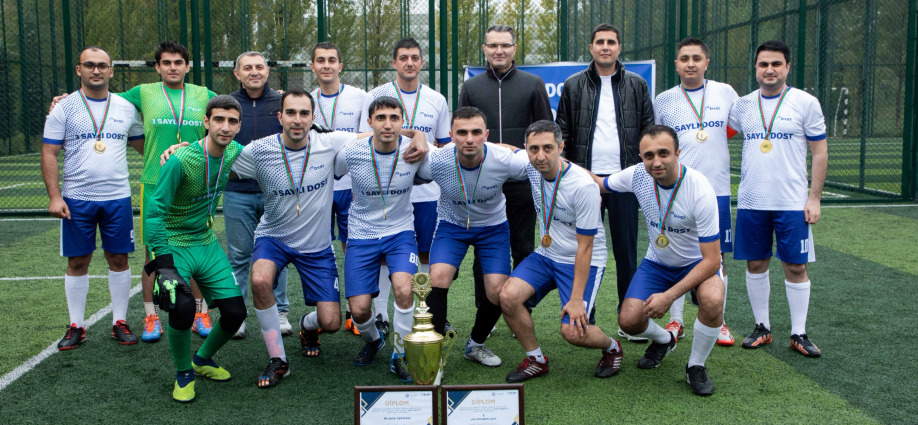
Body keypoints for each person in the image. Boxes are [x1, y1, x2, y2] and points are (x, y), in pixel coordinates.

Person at [595, 125, 726, 396]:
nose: (656, 161)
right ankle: (665, 340)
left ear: (678, 153)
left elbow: (712, 261)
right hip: (658, 261)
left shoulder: (699, 189)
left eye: (664, 153)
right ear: (641, 157)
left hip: (696, 263)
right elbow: (599, 183)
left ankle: (695, 366)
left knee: (712, 300)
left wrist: (668, 296)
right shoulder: (636, 176)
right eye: (648, 155)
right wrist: (554, 160)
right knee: (628, 321)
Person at [498, 120, 622, 383]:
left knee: (574, 333)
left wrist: (576, 300)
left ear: (561, 147)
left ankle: (612, 347)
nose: (540, 156)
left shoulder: (582, 186)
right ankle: (536, 360)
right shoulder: (531, 166)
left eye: (547, 148)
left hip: (580, 257)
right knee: (507, 296)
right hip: (546, 255)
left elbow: (586, 247)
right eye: (533, 149)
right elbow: (502, 150)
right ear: (526, 148)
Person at [41, 46, 145, 350]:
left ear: (112, 71)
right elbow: (49, 152)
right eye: (90, 65)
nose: (96, 70)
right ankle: (76, 325)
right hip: (76, 198)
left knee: (119, 258)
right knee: (78, 260)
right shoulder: (64, 108)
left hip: (117, 198)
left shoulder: (126, 107)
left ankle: (119, 321)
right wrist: (54, 196)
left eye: (102, 66)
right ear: (79, 70)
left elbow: (144, 146)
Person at [144, 95, 247, 403]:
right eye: (218, 119)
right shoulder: (180, 160)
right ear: (206, 122)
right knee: (183, 307)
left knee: (235, 313)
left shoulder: (235, 153)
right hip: (175, 242)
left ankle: (201, 361)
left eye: (231, 121)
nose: (225, 127)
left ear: (239, 126)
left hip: (205, 241)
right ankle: (182, 373)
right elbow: (154, 212)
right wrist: (162, 263)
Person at [728, 40, 827, 357]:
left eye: (776, 64)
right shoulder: (742, 106)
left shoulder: (805, 102)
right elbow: (720, 136)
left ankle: (799, 333)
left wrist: (814, 198)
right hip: (751, 201)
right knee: (756, 263)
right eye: (763, 64)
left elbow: (820, 151)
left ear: (786, 67)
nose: (769, 70)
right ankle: (762, 328)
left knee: (795, 267)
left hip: (791, 202)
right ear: (755, 68)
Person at [556, 24, 655, 342]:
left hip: (624, 182)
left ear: (619, 47)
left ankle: (630, 322)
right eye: (599, 42)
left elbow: (648, 130)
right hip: (585, 183)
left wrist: (641, 171)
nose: (605, 47)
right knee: (585, 249)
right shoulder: (573, 85)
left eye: (611, 42)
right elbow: (563, 135)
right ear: (591, 47)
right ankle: (585, 316)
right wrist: (572, 175)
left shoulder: (637, 84)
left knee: (626, 252)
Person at [416, 106, 529, 370]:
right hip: (451, 225)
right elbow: (403, 168)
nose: (469, 139)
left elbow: (545, 160)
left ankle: (475, 345)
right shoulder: (436, 160)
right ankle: (434, 351)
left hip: (492, 228)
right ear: (451, 135)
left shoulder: (504, 158)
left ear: (486, 135)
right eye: (462, 132)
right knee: (438, 277)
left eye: (476, 132)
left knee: (497, 291)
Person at [458, 25, 552, 312]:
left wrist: (529, 158)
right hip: (482, 184)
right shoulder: (471, 87)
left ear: (514, 48)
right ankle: (484, 312)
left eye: (505, 45)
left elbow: (545, 132)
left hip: (521, 183)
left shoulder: (532, 83)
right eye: (493, 45)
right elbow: (463, 131)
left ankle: (521, 308)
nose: (499, 50)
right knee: (482, 252)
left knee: (523, 248)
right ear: (485, 49)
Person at [361, 38, 451, 337]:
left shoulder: (436, 99)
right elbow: (366, 136)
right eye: (403, 58)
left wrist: (425, 143)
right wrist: (416, 135)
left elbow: (443, 144)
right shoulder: (375, 96)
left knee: (425, 253)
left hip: (426, 192)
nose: (409, 63)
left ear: (422, 62)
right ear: (394, 62)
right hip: (386, 190)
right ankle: (380, 314)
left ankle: (424, 312)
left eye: (414, 57)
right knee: (387, 253)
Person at [337, 96, 431, 382]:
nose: (388, 124)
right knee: (359, 310)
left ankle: (399, 354)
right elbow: (327, 166)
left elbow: (452, 160)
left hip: (401, 232)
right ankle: (374, 339)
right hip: (362, 233)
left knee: (404, 290)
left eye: (394, 118)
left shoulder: (415, 152)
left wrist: (421, 138)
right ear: (370, 122)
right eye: (381, 118)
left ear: (403, 122)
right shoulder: (351, 152)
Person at [653, 37, 738, 346]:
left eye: (696, 58)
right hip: (676, 191)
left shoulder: (725, 93)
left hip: (715, 191)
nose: (690, 63)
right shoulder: (663, 100)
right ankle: (677, 321)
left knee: (718, 258)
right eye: (684, 58)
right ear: (676, 64)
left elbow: (736, 128)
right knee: (675, 254)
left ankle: (720, 320)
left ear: (706, 63)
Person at [227, 51, 290, 339]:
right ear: (237, 73)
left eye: (260, 67)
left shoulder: (282, 103)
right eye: (247, 67)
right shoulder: (228, 104)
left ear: (267, 71)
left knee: (278, 252)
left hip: (275, 192)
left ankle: (281, 311)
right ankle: (237, 315)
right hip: (237, 191)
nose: (254, 72)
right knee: (239, 255)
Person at [310, 41, 368, 335]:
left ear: (340, 66)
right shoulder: (306, 100)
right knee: (316, 248)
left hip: (350, 186)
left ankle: (351, 312)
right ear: (313, 66)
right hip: (317, 187)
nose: (327, 65)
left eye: (332, 60)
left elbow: (367, 136)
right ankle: (321, 308)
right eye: (321, 60)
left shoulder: (360, 97)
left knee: (351, 248)